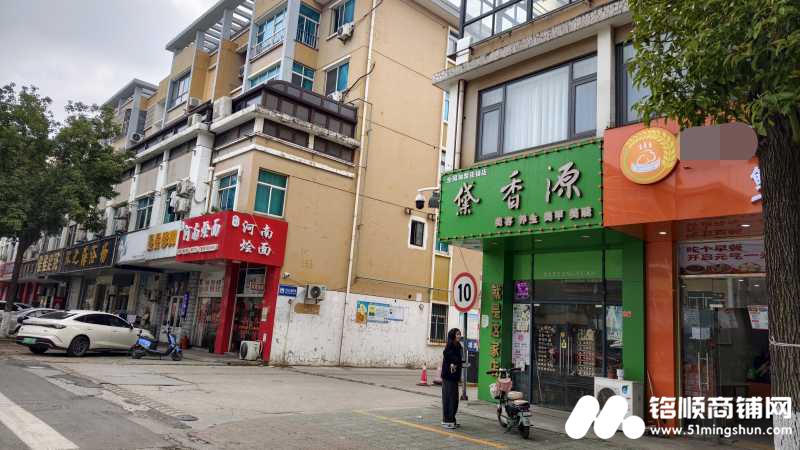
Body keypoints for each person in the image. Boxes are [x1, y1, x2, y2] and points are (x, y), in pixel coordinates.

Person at [441, 328, 463, 429]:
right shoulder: (450, 345)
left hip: (454, 376)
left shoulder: (458, 345)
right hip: (448, 376)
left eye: (459, 334)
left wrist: (461, 362)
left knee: (454, 399)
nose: (459, 336)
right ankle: (447, 420)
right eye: (457, 334)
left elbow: (458, 359)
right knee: (449, 398)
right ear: (453, 335)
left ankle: (452, 419)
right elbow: (447, 355)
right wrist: (457, 361)